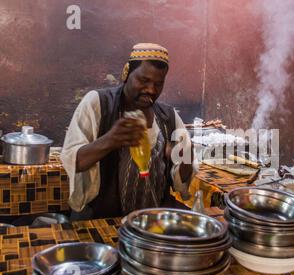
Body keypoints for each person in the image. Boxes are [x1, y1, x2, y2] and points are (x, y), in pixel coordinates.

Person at [61, 43, 198, 220]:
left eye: (158, 84)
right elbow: (73, 161)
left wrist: (186, 157)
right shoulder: (98, 104)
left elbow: (181, 183)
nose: (151, 90)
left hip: (150, 226)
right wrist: (111, 140)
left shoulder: (168, 117)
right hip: (102, 223)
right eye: (144, 80)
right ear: (126, 73)